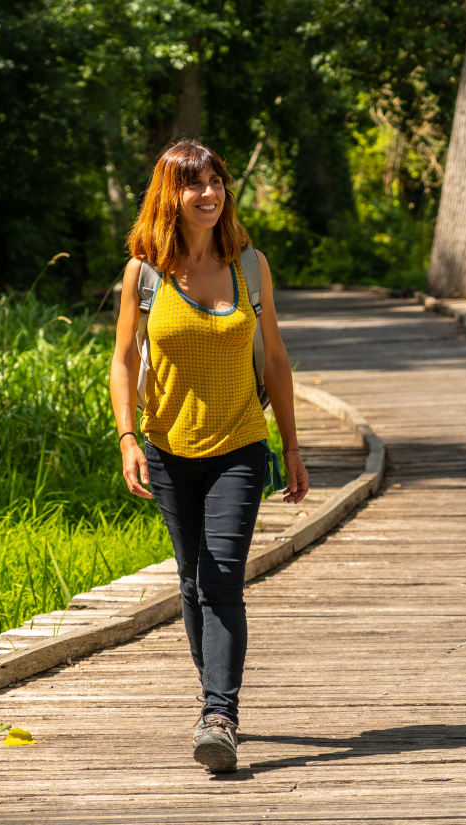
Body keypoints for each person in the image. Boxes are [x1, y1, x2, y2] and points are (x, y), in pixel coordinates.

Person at [108, 139, 308, 773]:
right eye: (195, 184)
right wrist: (128, 438)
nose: (210, 194)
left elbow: (275, 358)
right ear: (172, 194)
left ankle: (220, 713)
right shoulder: (144, 275)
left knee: (221, 578)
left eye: (217, 182)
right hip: (167, 448)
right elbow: (122, 362)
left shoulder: (250, 266)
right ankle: (212, 697)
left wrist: (293, 446)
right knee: (191, 582)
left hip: (241, 446)